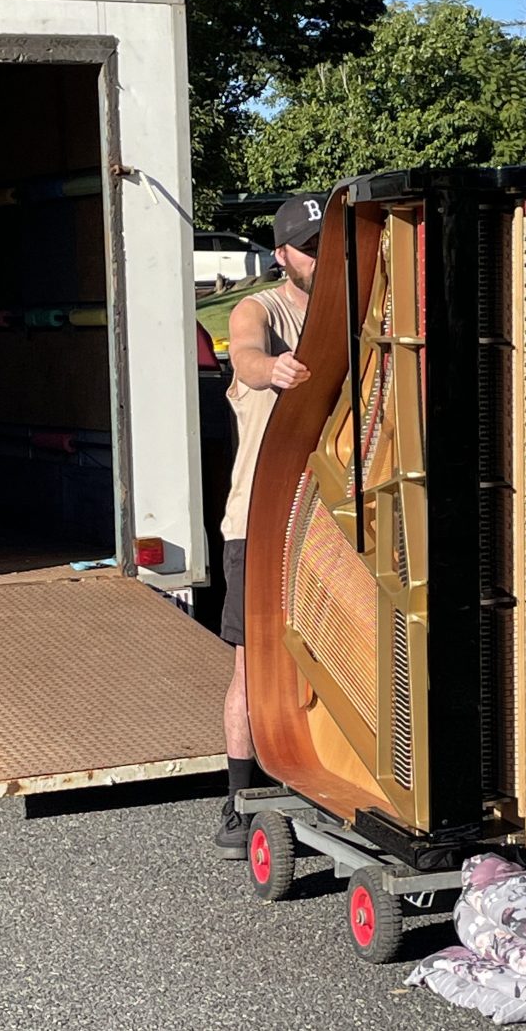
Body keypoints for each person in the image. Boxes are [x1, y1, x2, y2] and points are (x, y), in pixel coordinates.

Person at [214, 191, 326, 859]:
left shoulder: (353, 308)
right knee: (252, 669)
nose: (317, 259)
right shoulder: (263, 308)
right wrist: (273, 369)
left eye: (325, 247)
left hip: (326, 524)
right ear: (282, 253)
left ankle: (319, 779)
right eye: (307, 249)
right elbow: (246, 357)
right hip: (256, 525)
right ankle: (235, 801)